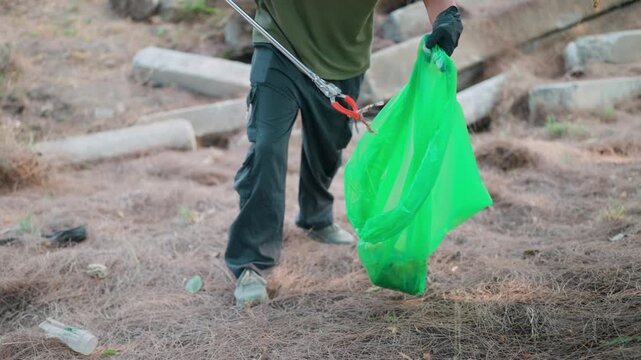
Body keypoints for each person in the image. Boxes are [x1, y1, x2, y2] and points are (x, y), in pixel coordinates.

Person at [226, 0, 463, 305]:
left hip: (343, 59)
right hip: (279, 45)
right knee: (267, 146)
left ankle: (315, 216)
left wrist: (446, 17)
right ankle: (251, 263)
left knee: (329, 145)